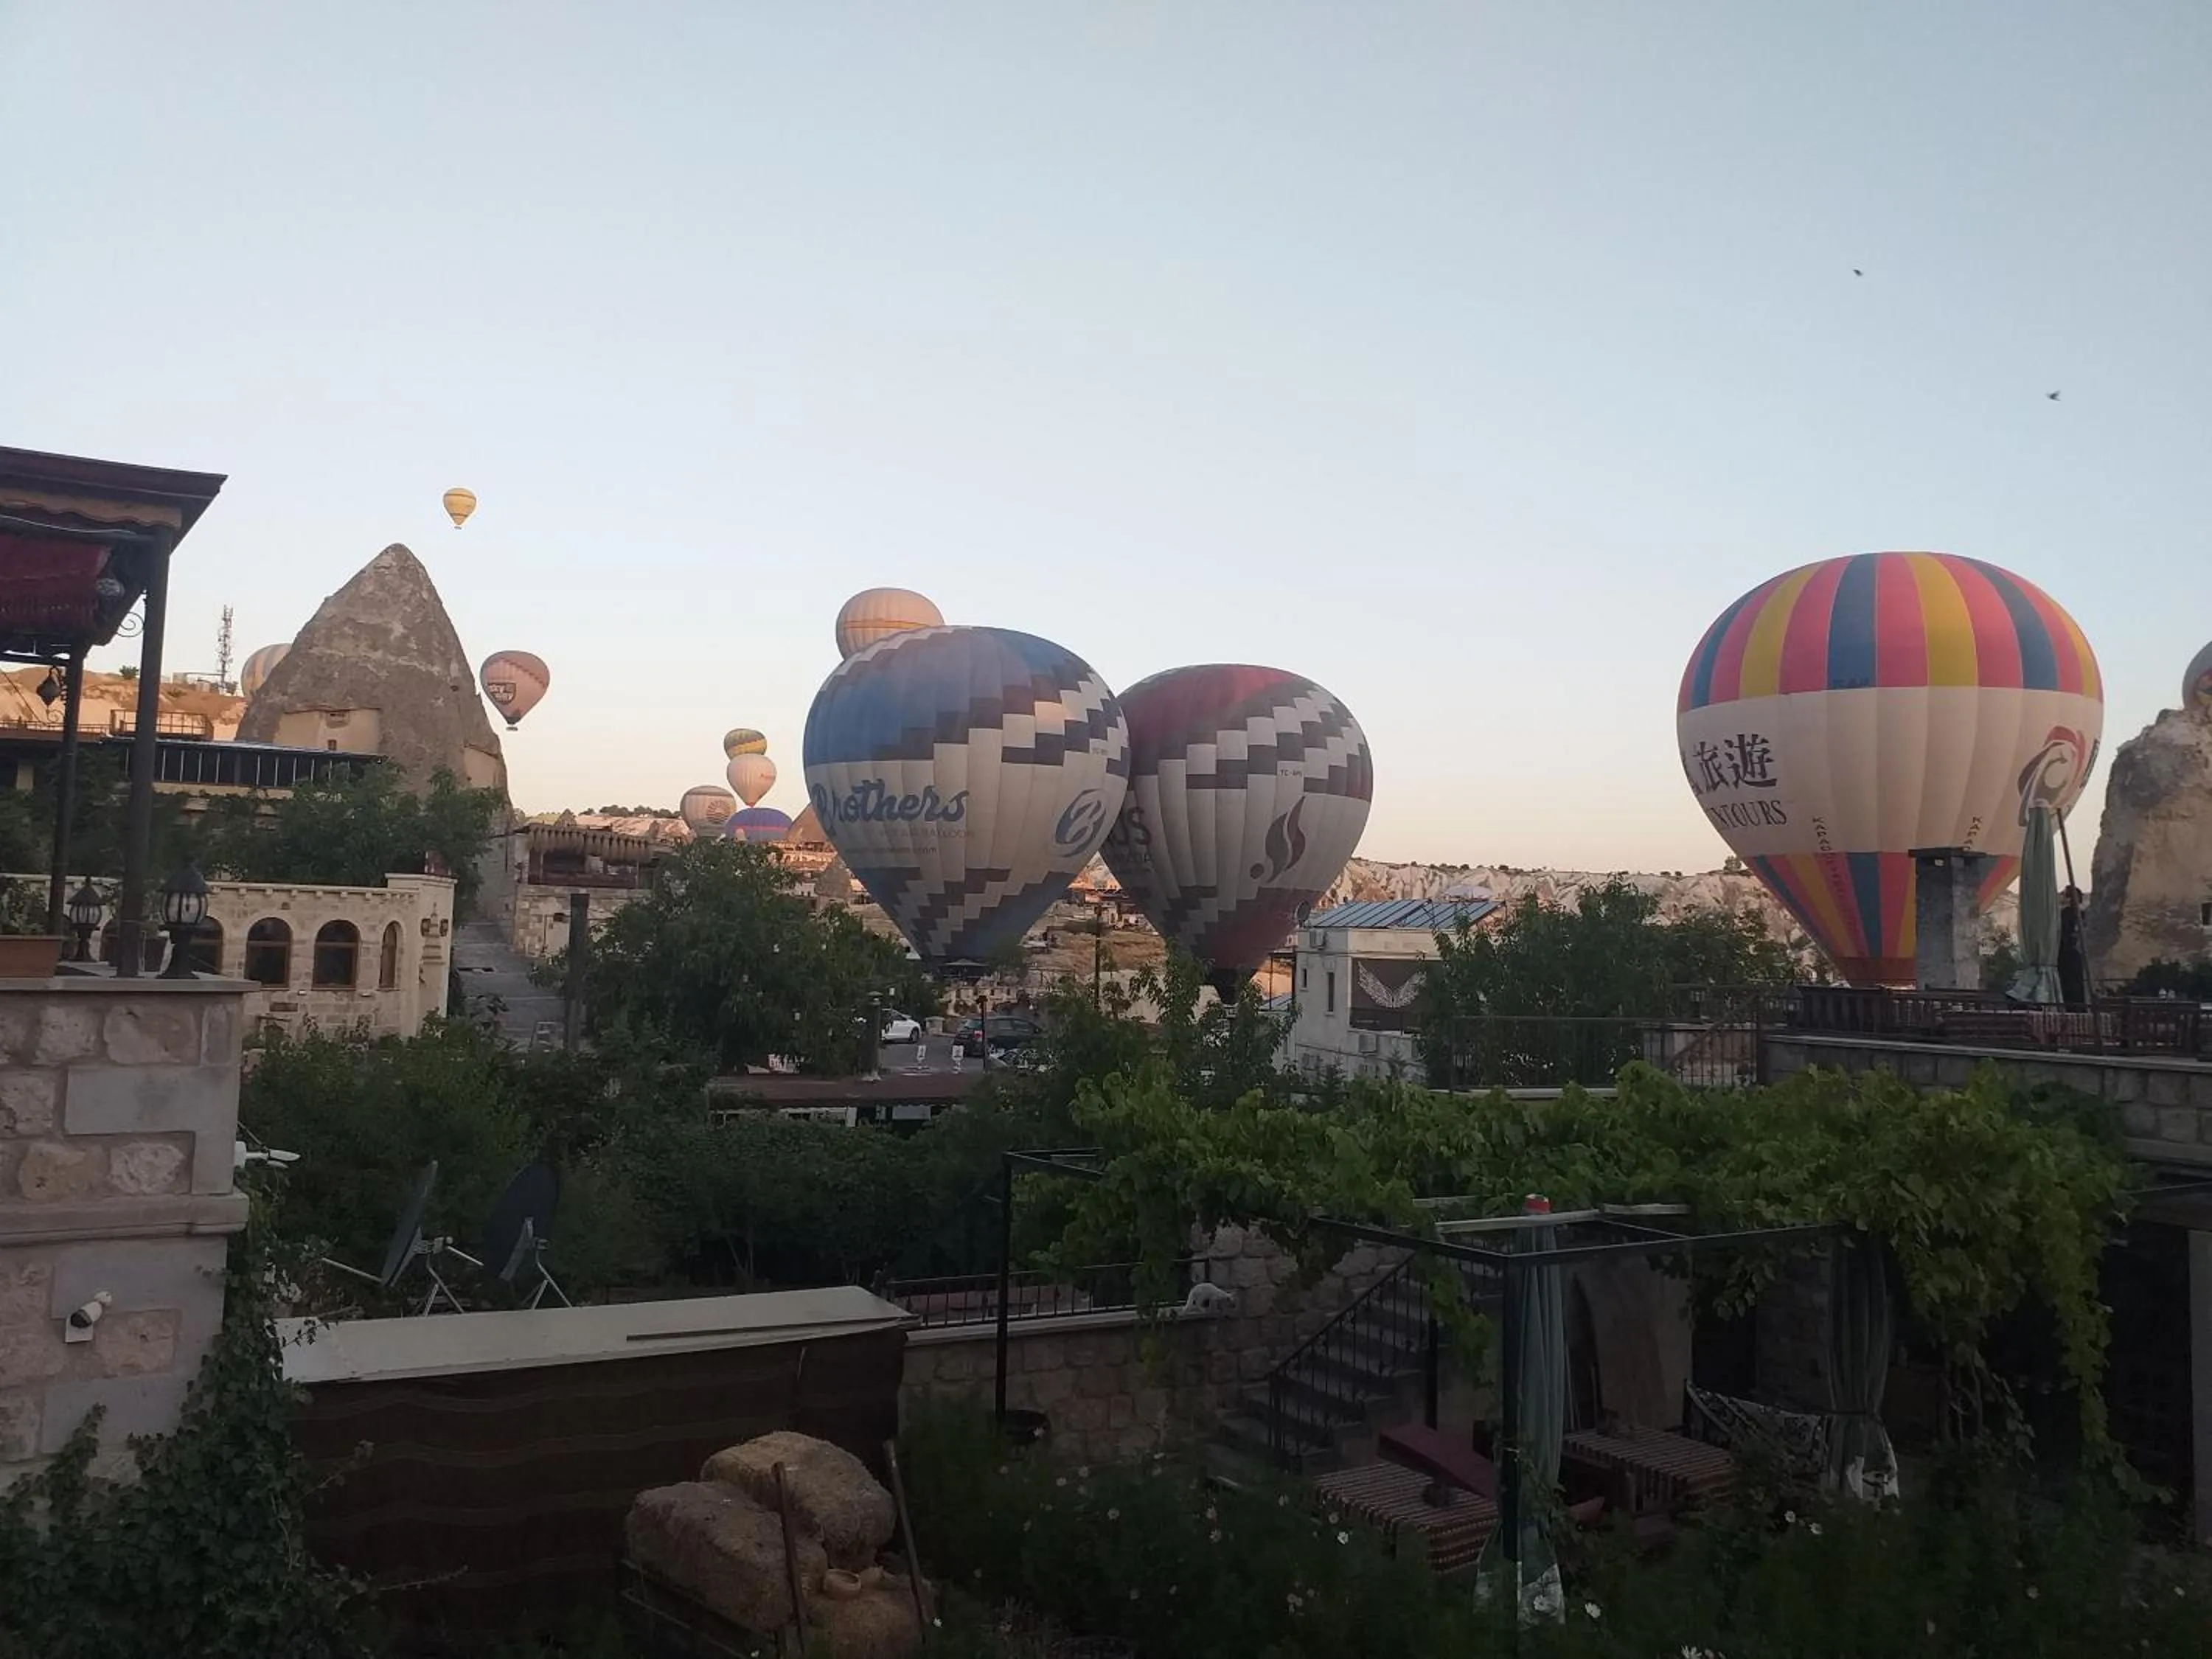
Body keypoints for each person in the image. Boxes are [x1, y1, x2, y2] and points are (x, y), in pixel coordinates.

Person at [2057, 886, 2088, 1007]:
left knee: (2068, 985)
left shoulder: (2066, 914)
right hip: (2074, 954)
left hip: (2065, 954)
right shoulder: (2082, 915)